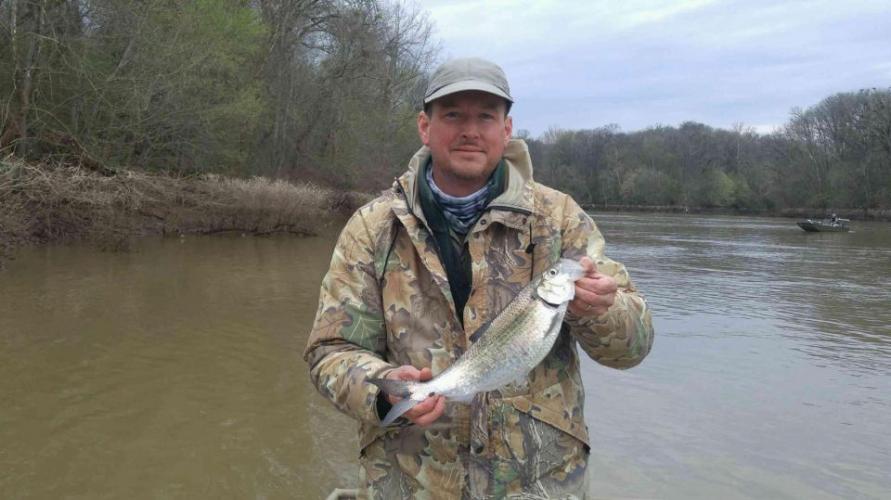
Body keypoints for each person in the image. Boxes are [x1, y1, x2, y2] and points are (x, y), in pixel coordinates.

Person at [304, 57, 654, 498]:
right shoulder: (372, 229)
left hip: (539, 486)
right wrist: (383, 392)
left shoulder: (560, 219)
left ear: (506, 130)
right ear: (424, 127)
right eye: (453, 115)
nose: (470, 130)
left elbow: (634, 347)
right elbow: (328, 352)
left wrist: (603, 311)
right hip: (407, 485)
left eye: (485, 116)